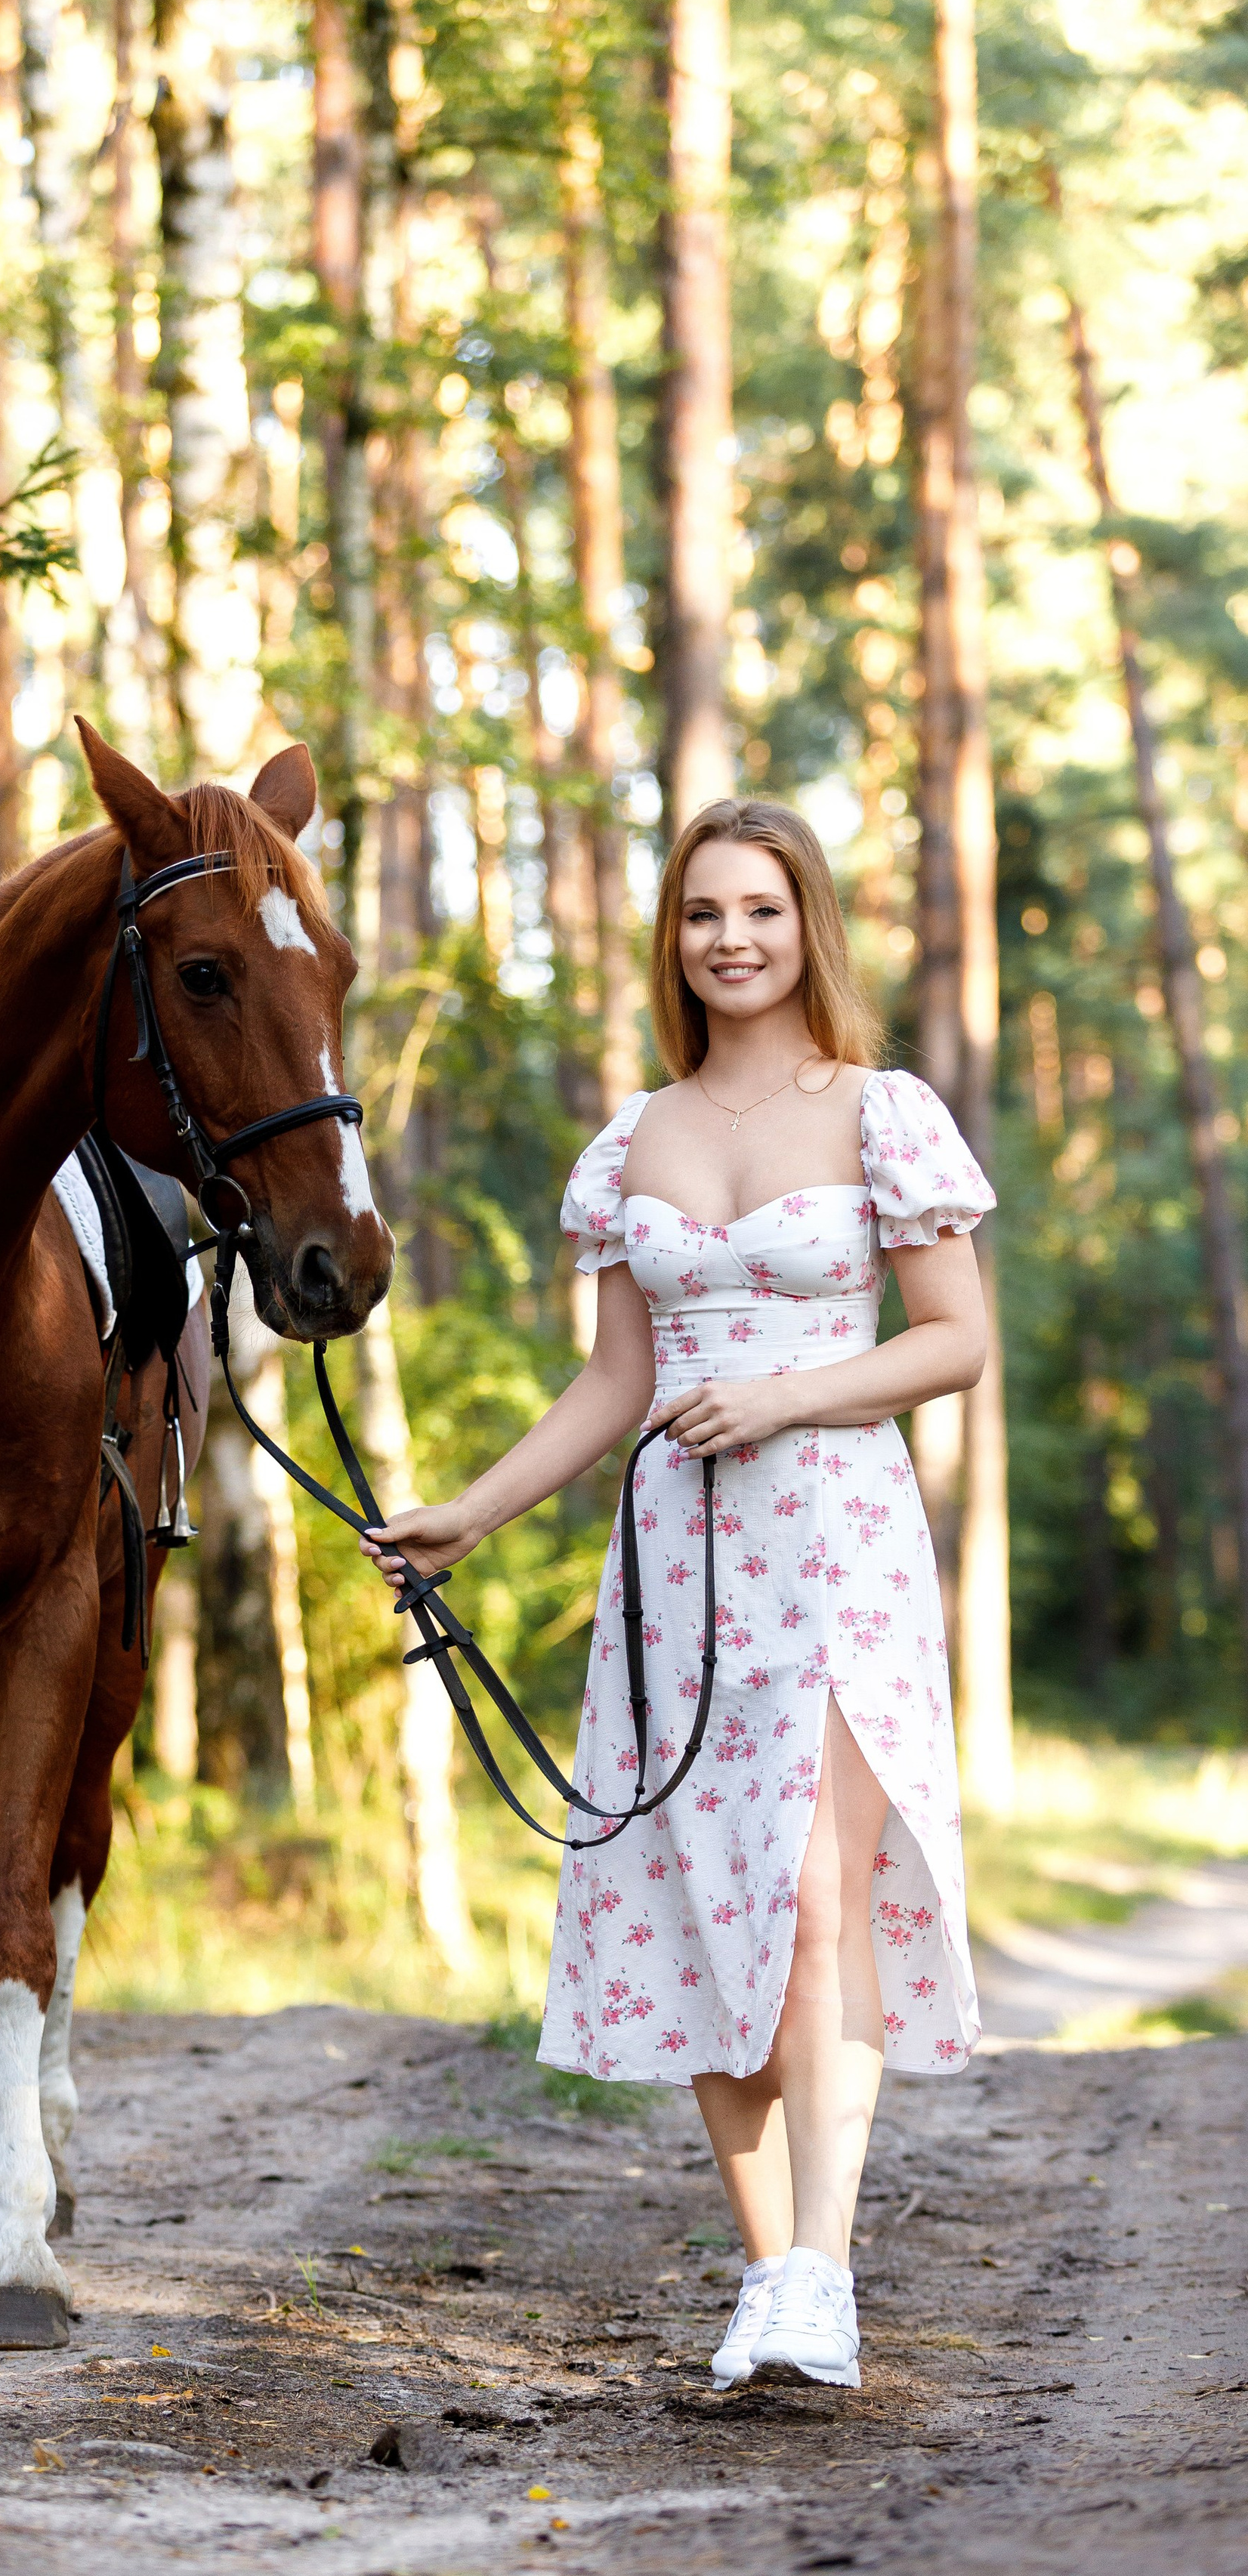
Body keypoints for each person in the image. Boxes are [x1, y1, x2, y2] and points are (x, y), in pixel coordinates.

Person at [363, 796, 993, 2390]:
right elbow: (612, 1384)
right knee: (708, 1909)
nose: (729, 938)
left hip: (832, 1538)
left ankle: (823, 2275)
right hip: (675, 1560)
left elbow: (953, 1342)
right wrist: (471, 1518)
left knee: (807, 1901)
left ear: (805, 929)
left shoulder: (876, 1111)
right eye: (702, 911)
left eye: (759, 911)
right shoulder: (630, 1139)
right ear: (674, 937)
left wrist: (786, 1398)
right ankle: (767, 2270)